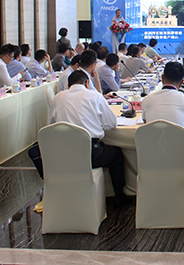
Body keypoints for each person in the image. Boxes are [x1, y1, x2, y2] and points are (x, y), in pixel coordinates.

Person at [32, 70, 131, 207]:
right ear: (86, 83)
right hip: (90, 153)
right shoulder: (95, 96)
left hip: (62, 155)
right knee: (117, 155)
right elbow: (111, 124)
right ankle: (119, 196)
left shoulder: (58, 98)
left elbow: (52, 125)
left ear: (68, 85)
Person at [141, 61, 184, 207]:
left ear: (162, 78)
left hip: (151, 157)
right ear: (182, 82)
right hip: (179, 157)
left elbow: (146, 122)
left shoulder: (147, 99)